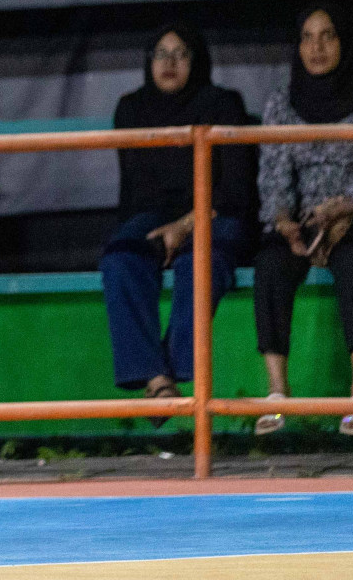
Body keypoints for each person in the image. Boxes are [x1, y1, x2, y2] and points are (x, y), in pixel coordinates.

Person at [252, 4, 353, 439]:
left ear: (344, 43)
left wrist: (343, 211)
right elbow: (273, 179)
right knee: (270, 263)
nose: (317, 47)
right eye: (307, 37)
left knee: (352, 258)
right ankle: (277, 392)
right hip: (306, 219)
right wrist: (286, 223)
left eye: (328, 36)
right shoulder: (281, 102)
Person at [99, 24, 254, 418]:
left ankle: (177, 369)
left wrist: (186, 226)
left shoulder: (222, 103)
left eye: (181, 54)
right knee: (120, 259)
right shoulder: (131, 108)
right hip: (153, 216)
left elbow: (235, 188)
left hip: (216, 211)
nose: (169, 63)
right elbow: (135, 191)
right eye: (161, 54)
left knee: (199, 260)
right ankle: (157, 381)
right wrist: (158, 233)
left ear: (196, 61)